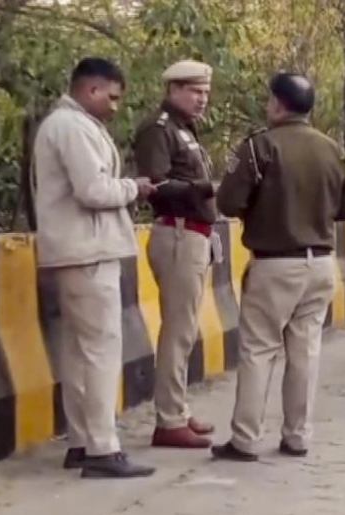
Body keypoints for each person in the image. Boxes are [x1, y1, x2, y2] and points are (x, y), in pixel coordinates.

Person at [212, 73, 345, 462]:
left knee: (259, 349)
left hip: (274, 264)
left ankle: (245, 438)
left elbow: (227, 203)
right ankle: (297, 435)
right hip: (322, 265)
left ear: (278, 104)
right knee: (306, 351)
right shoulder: (334, 150)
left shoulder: (257, 147)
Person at [33, 57, 156, 478]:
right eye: (113, 96)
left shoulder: (67, 125)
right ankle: (103, 448)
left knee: (78, 351)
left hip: (73, 251)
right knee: (102, 350)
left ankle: (83, 441)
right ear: (91, 90)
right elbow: (92, 189)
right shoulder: (72, 127)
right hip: (88, 251)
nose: (116, 106)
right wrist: (133, 187)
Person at [133, 60, 218, 449]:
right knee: (178, 330)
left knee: (185, 330)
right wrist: (202, 188)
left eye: (204, 92)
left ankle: (177, 409)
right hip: (177, 232)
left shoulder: (186, 131)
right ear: (173, 90)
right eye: (194, 91)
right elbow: (156, 184)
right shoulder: (158, 130)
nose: (202, 99)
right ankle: (168, 419)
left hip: (196, 235)